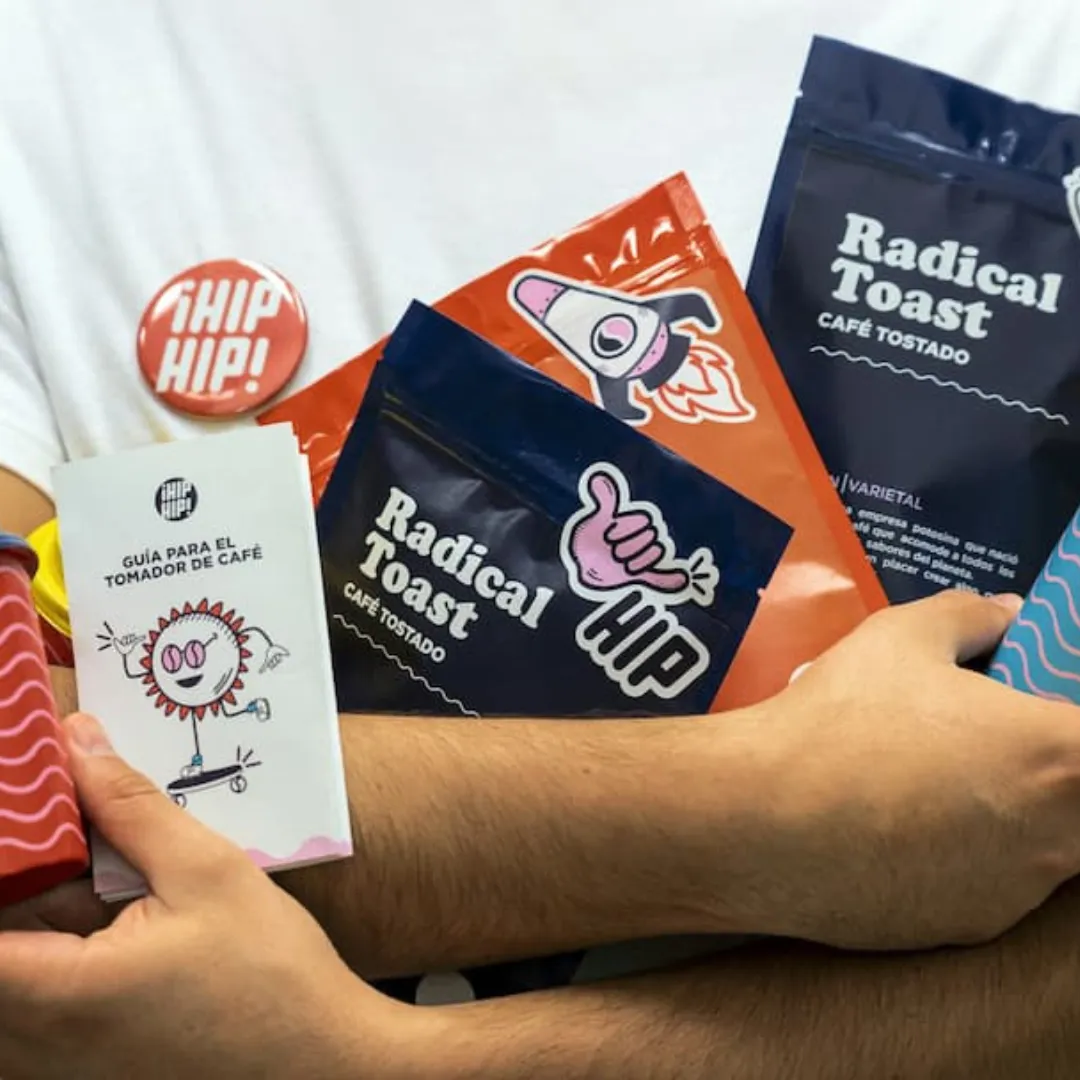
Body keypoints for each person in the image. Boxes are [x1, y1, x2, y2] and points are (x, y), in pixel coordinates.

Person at [4, 1, 1080, 1075]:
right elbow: (31, 843)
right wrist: (769, 809)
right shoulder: (46, 77)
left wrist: (387, 1060)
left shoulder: (1038, 49)